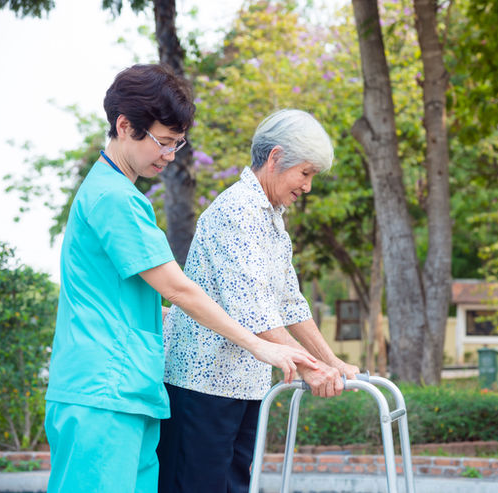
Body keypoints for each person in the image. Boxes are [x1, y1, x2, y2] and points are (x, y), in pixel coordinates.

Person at [44, 65, 317, 493]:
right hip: (102, 392)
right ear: (124, 125)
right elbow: (178, 287)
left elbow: (142, 295)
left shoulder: (119, 195)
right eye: (163, 142)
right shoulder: (114, 198)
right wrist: (259, 344)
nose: (170, 155)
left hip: (126, 388)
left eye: (177, 144)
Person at [158, 109, 360, 493]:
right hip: (202, 385)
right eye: (305, 173)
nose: (308, 186)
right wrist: (309, 368)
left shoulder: (271, 219)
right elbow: (255, 313)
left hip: (244, 384)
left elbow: (290, 302)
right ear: (274, 158)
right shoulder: (237, 211)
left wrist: (331, 362)